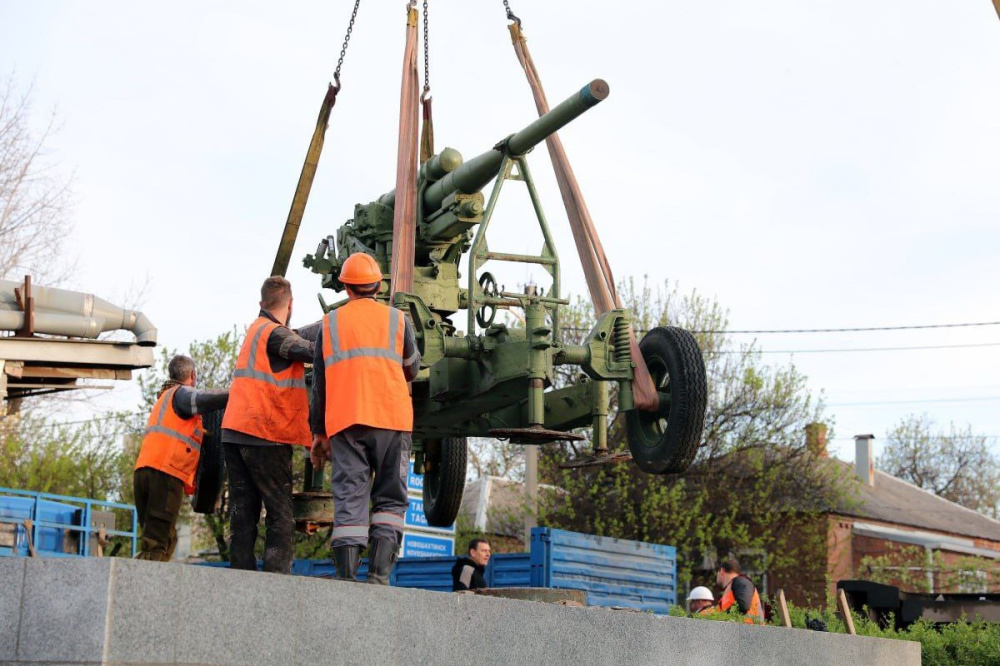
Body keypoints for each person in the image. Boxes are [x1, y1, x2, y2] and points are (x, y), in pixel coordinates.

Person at [310, 252, 421, 585]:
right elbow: (412, 367)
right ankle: (379, 576)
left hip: (347, 423)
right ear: (378, 285)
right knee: (390, 498)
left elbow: (320, 385)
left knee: (350, 498)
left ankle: (347, 578)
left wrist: (318, 434)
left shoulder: (328, 325)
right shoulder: (398, 320)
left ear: (345, 287)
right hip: (393, 420)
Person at [221, 276, 319, 573]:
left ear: (262, 304)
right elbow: (311, 351)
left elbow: (295, 335)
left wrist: (329, 324)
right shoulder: (276, 336)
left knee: (243, 511)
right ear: (290, 304)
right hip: (263, 432)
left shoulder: (257, 330)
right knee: (279, 511)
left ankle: (241, 576)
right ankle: (276, 583)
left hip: (234, 431)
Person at [134, 355, 229, 561]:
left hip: (144, 472)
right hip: (166, 474)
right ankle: (143, 589)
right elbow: (202, 399)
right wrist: (239, 392)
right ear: (192, 375)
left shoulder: (163, 399)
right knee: (157, 544)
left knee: (164, 539)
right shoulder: (181, 394)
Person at [714, 558, 764, 624]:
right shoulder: (733, 587)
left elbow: (744, 605)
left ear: (722, 571)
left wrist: (721, 616)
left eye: (718, 572)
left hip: (749, 631)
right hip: (742, 631)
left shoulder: (741, 582)